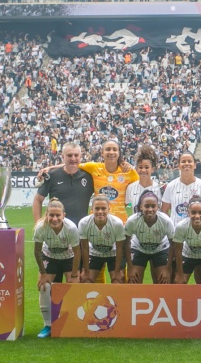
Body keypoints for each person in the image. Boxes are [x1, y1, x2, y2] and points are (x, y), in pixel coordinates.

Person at [33, 199, 81, 338]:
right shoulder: (40, 227)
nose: (54, 219)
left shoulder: (71, 228)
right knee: (44, 287)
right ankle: (48, 325)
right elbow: (37, 251)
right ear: (46, 215)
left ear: (63, 215)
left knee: (73, 286)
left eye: (57, 215)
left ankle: (72, 322)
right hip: (50, 256)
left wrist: (73, 275)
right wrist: (42, 273)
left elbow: (77, 252)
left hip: (68, 257)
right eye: (51, 215)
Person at [33, 142, 94, 226]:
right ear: (63, 157)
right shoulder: (52, 176)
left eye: (76, 155)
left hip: (81, 231)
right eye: (69, 155)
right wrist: (38, 224)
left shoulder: (89, 177)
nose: (73, 158)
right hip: (56, 230)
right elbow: (38, 200)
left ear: (80, 157)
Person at [123, 191, 175, 284]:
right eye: (147, 206)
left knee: (163, 281)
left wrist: (167, 268)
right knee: (133, 281)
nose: (150, 209)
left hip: (160, 248)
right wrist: (130, 267)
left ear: (158, 207)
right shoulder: (132, 220)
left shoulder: (166, 220)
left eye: (153, 206)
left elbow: (173, 243)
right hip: (139, 248)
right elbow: (126, 243)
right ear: (141, 207)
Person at [77, 195, 126, 283]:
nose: (100, 211)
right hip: (94, 253)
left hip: (113, 253)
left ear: (109, 209)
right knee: (86, 282)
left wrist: (117, 271)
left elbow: (120, 249)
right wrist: (86, 271)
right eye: (97, 208)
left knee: (118, 283)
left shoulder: (117, 223)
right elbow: (84, 248)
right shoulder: (84, 223)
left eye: (103, 208)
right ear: (92, 209)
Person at [171, 197, 201, 284]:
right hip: (188, 254)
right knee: (179, 283)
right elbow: (178, 251)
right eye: (193, 212)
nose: (197, 216)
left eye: (200, 212)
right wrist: (180, 275)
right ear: (188, 213)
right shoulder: (181, 226)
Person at [161, 152, 201, 221]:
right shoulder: (171, 186)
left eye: (189, 161)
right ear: (179, 166)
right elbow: (164, 210)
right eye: (183, 161)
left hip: (197, 230)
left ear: (194, 165)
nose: (186, 164)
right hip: (176, 230)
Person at [126, 145, 163, 213]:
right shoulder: (130, 188)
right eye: (140, 167)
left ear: (152, 169)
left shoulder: (159, 188)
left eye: (146, 167)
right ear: (136, 169)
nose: (143, 170)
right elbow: (127, 207)